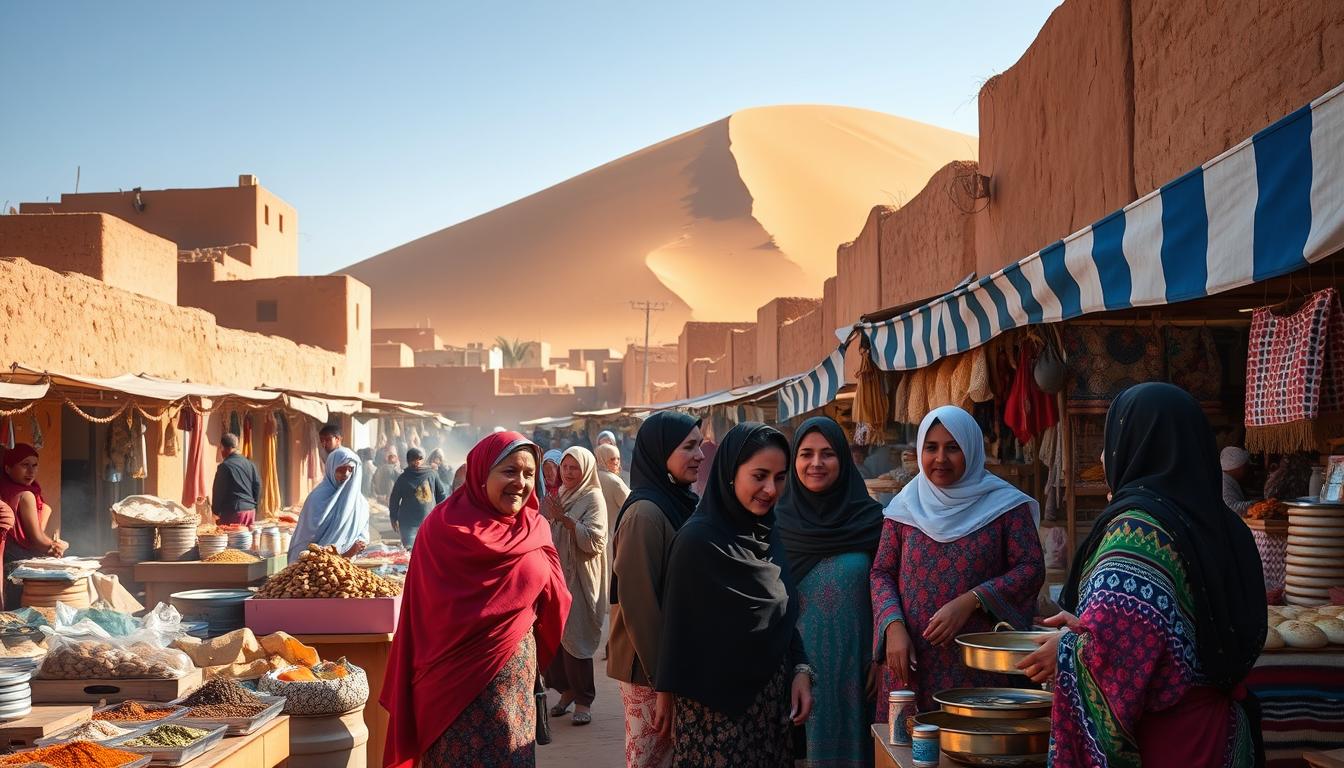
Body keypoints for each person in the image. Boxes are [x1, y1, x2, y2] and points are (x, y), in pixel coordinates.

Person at [1019, 383, 1266, 768]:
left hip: (1168, 744)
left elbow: (1118, 650)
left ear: (1136, 444)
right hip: (1225, 738)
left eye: (1111, 439)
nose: (1103, 455)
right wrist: (1086, 627)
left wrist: (1066, 651)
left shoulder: (1137, 534)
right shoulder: (1225, 524)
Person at [381, 431, 572, 768]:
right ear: (482, 474)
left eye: (530, 474)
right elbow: (418, 614)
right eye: (509, 471)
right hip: (448, 693)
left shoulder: (535, 528)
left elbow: (556, 596)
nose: (521, 482)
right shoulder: (439, 529)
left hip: (512, 693)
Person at [654, 423, 813, 767]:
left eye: (780, 477)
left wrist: (801, 669)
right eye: (759, 475)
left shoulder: (768, 535)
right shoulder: (696, 541)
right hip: (713, 713)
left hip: (769, 708)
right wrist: (664, 692)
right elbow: (676, 625)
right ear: (730, 473)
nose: (770, 489)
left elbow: (784, 616)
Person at [872, 406, 1045, 715]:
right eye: (932, 447)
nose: (940, 458)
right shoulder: (904, 508)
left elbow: (1030, 568)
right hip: (911, 658)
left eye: (953, 448)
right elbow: (882, 572)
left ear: (972, 450)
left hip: (978, 660)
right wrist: (892, 626)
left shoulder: (1005, 506)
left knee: (975, 746)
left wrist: (973, 600)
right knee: (909, 753)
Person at [776, 417, 884, 768]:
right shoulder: (774, 524)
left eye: (827, 454)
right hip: (793, 671)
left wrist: (881, 655)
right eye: (806, 454)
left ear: (843, 458)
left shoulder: (873, 521)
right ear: (793, 462)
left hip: (859, 671)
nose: (816, 463)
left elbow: (889, 589)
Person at [607, 411, 704, 768]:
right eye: (689, 447)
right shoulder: (645, 514)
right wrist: (664, 681)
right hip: (649, 670)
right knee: (651, 758)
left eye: (700, 445)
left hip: (670, 666)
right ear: (660, 453)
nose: (700, 455)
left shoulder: (677, 502)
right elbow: (640, 607)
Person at [542, 447, 608, 726]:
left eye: (574, 468)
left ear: (585, 470)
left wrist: (566, 521)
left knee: (577, 640)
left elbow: (596, 541)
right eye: (564, 467)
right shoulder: (561, 495)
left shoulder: (593, 497)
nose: (567, 473)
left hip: (580, 578)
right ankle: (566, 690)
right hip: (557, 577)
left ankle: (584, 701)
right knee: (554, 639)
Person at [288, 447, 371, 560]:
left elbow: (363, 534)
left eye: (350, 469)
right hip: (315, 569)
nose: (346, 474)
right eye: (340, 469)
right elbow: (305, 538)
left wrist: (358, 545)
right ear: (331, 469)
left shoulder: (360, 504)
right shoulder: (316, 499)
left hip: (344, 571)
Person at [0, 445, 42, 607]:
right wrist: (55, 546)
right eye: (25, 465)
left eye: (35, 465)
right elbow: (38, 540)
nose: (31, 471)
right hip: (16, 563)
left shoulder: (6, 489)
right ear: (8, 468)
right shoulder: (26, 495)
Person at [388, 448, 449, 548]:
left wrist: (441, 515)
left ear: (422, 460)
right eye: (413, 460)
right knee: (410, 551)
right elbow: (394, 499)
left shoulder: (432, 474)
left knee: (429, 549)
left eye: (419, 459)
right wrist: (393, 517)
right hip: (408, 524)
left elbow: (441, 495)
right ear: (409, 461)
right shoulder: (403, 478)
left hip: (429, 522)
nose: (417, 462)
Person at [211, 433, 261, 526]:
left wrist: (216, 511)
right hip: (250, 511)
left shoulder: (225, 466)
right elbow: (257, 486)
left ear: (223, 448)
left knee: (232, 540)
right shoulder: (250, 464)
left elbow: (218, 491)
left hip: (234, 513)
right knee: (247, 540)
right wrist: (254, 506)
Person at [595, 443, 630, 567]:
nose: (616, 462)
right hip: (612, 537)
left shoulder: (593, 476)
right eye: (612, 459)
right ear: (602, 459)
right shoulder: (614, 481)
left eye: (618, 458)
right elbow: (631, 505)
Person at [1220, 446, 1257, 516]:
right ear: (1238, 467)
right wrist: (1257, 504)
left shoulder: (1226, 479)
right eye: (1245, 467)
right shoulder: (1223, 482)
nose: (1246, 470)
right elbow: (1231, 508)